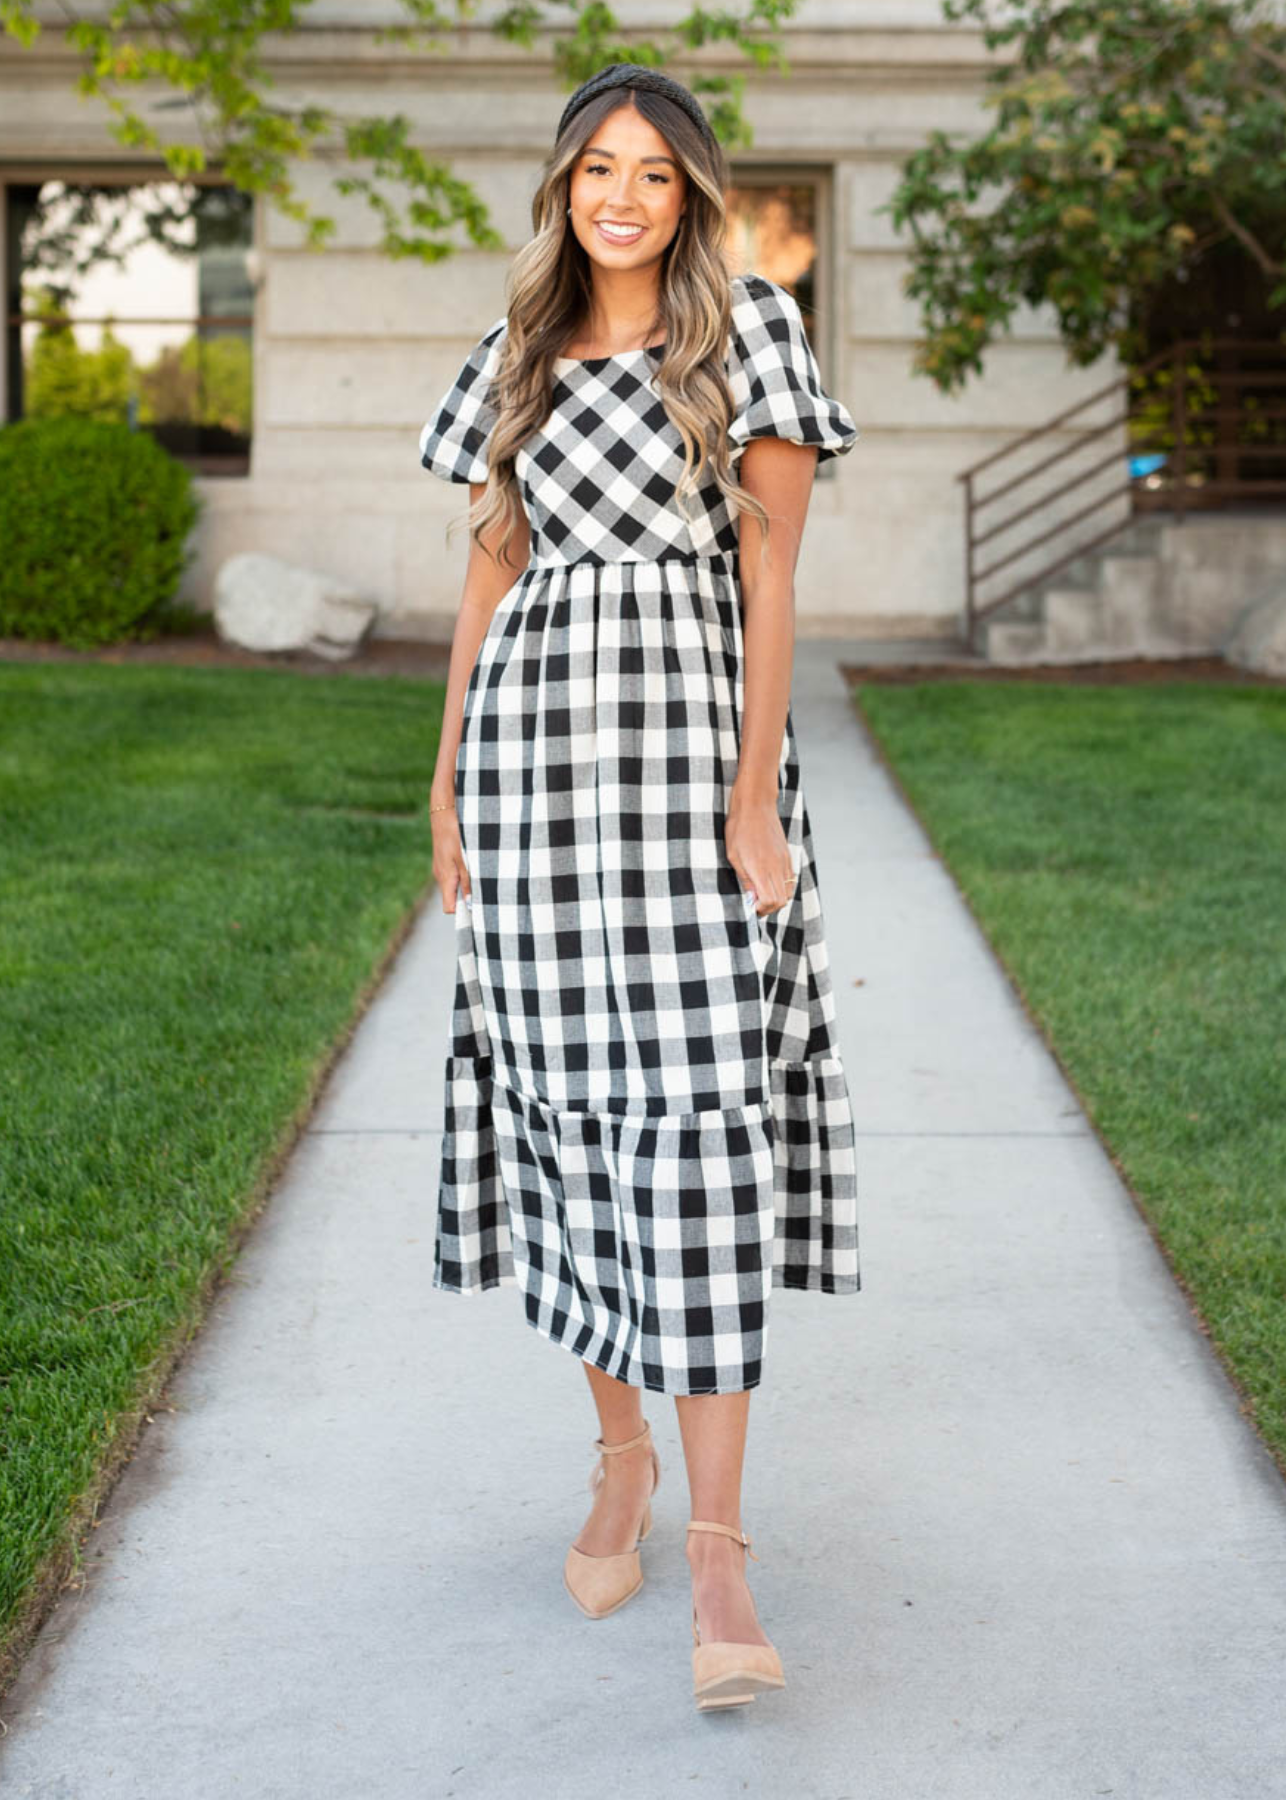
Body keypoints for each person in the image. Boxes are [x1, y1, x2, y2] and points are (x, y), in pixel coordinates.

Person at [418, 61, 861, 1712]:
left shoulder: (746, 339)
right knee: (566, 1110)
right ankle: (617, 1465)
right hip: (531, 791)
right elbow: (486, 575)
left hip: (684, 783)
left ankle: (722, 1557)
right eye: (595, 169)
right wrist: (445, 775)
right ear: (563, 188)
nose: (620, 195)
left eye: (652, 173)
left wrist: (756, 804)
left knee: (688, 1129)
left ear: (690, 193)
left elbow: (771, 577)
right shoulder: (517, 353)